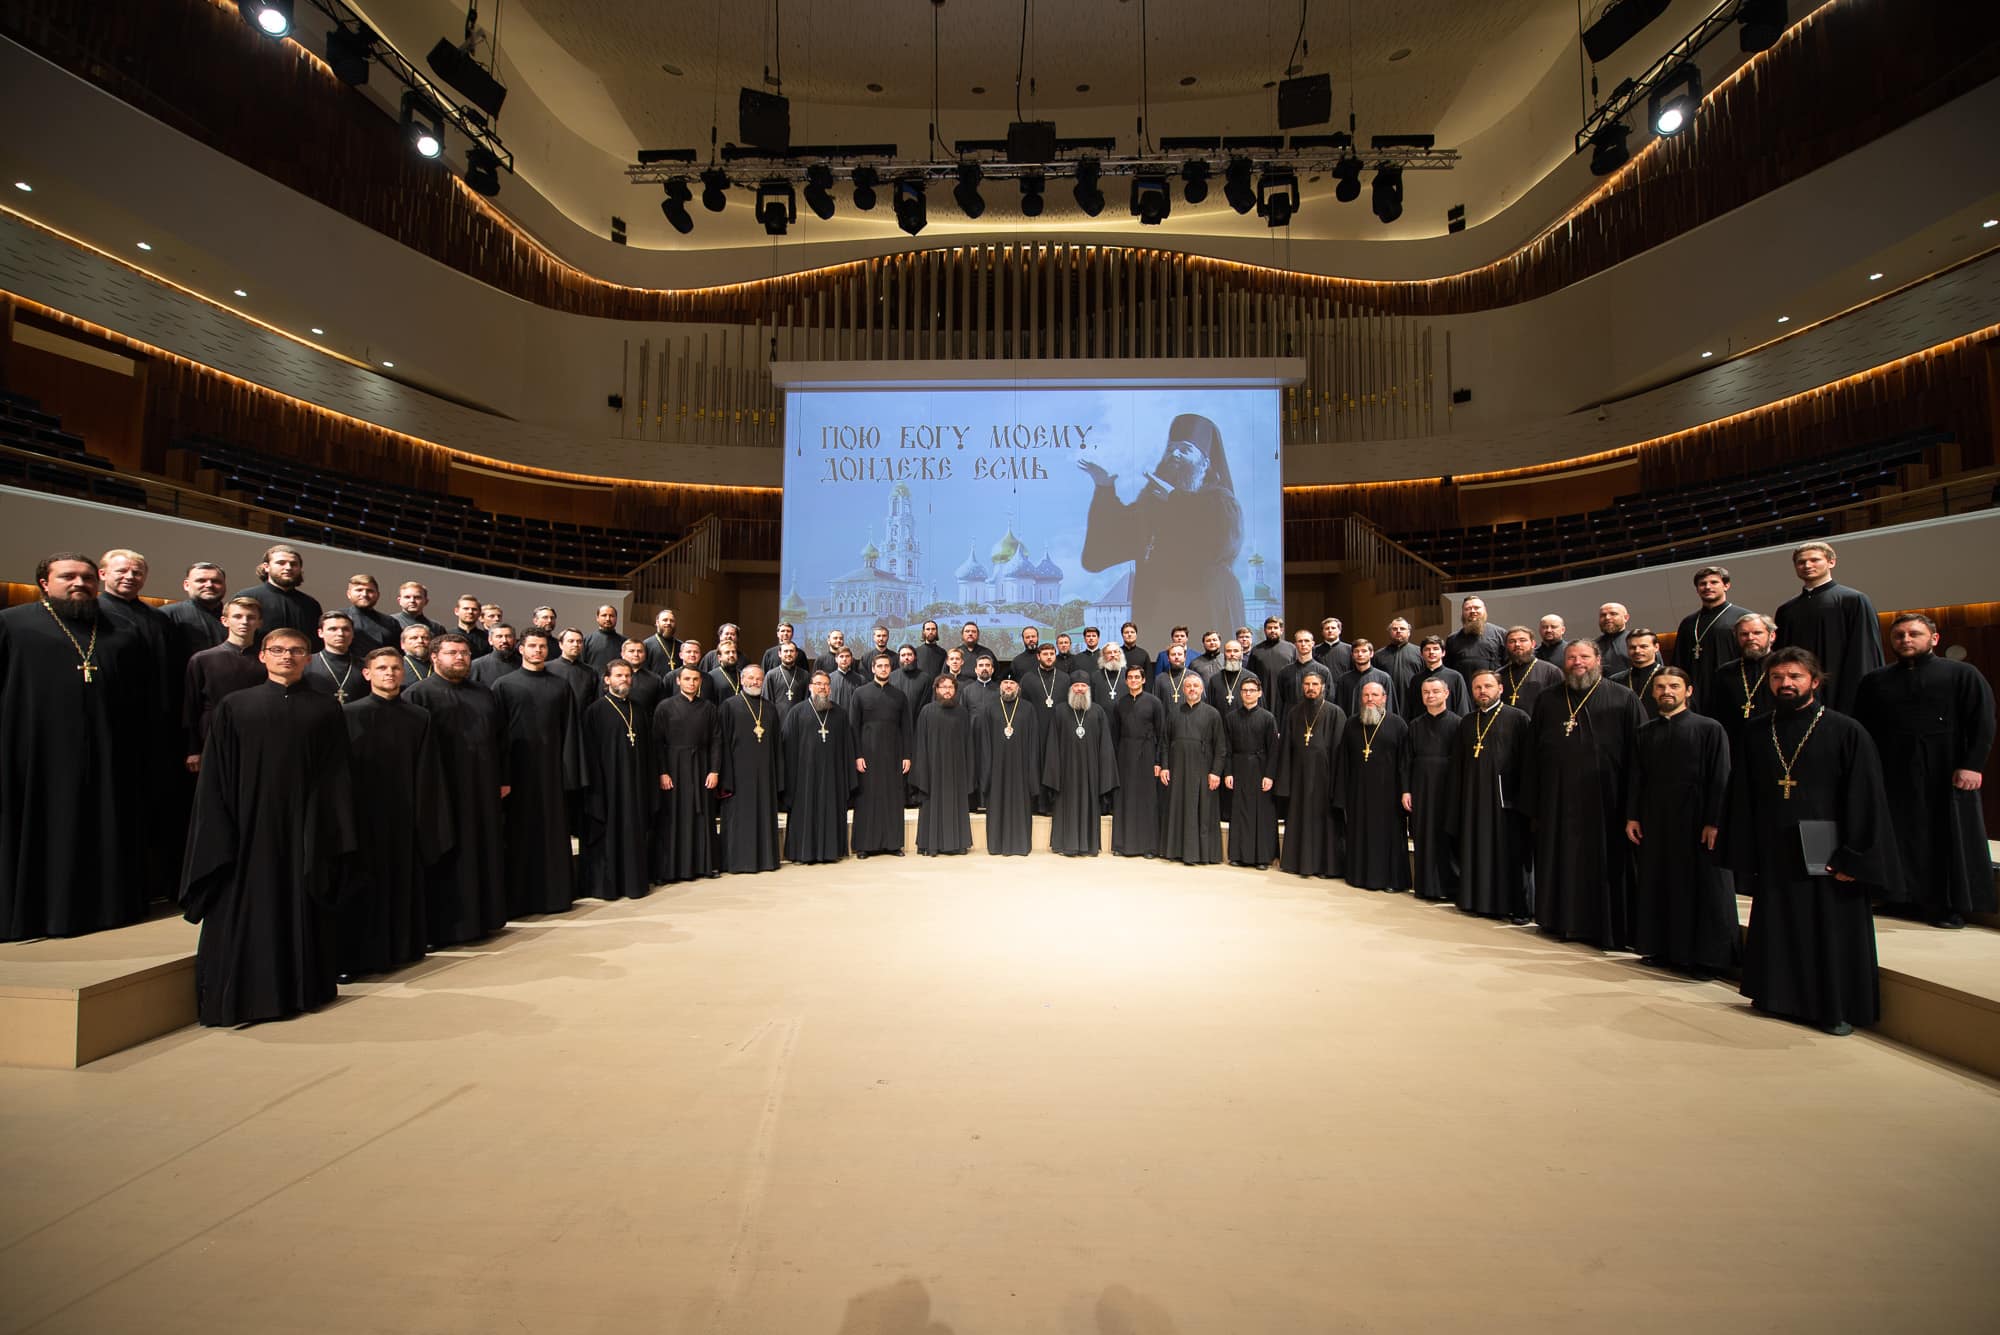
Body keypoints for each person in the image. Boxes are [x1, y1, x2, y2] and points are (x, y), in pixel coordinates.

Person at [178, 627, 355, 1026]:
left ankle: (303, 991)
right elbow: (217, 775)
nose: (287, 657)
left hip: (304, 827)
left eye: (296, 651)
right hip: (247, 827)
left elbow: (337, 773)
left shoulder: (325, 708)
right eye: (278, 650)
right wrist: (222, 825)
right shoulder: (235, 706)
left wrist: (328, 825)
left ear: (308, 657)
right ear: (262, 656)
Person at [1730, 648, 1898, 1035]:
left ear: (1815, 682)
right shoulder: (1757, 730)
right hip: (1775, 846)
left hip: (1830, 850)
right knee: (1778, 924)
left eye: (1795, 676)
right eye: (1777, 677)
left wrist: (1854, 856)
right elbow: (1742, 793)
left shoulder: (1846, 731)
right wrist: (1745, 848)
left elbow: (1866, 798)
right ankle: (1776, 997)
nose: (1785, 684)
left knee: (1830, 929)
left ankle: (1834, 1008)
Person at [0, 554, 151, 940]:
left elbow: (138, 696)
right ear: (44, 583)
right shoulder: (12, 624)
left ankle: (104, 908)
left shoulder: (121, 631)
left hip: (106, 754)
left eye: (86, 577)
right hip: (32, 755)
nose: (79, 583)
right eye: (68, 576)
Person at [1853, 613, 1996, 929]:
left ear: (1934, 638)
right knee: (1899, 835)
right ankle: (1899, 897)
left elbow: (1982, 722)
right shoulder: (1875, 680)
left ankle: (1946, 907)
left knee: (1945, 836)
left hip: (1946, 770)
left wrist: (1972, 765)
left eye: (1913, 634)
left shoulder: (1962, 674)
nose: (1905, 640)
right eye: (1899, 635)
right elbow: (1862, 729)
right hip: (1894, 772)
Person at [1522, 640, 1645, 949]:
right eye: (1571, 657)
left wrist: (1634, 807)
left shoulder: (1623, 698)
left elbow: (1639, 757)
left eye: (1584, 657)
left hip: (1605, 801)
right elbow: (1532, 753)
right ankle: (1558, 920)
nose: (1577, 662)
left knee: (1602, 864)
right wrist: (1533, 803)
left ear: (1598, 660)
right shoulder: (1548, 699)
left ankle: (1604, 928)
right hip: (1557, 799)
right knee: (1559, 858)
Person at [1079, 413, 1245, 637]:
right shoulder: (1150, 506)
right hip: (1156, 621)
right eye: (1170, 449)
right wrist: (1105, 489)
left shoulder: (1220, 502)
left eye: (1185, 449)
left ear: (1205, 463)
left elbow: (1220, 544)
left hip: (1207, 614)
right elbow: (1097, 557)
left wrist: (1175, 499)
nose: (1174, 454)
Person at [338, 648, 451, 975]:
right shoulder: (348, 714)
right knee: (361, 885)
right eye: (382, 668)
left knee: (403, 883)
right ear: (367, 674)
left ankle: (404, 948)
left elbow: (428, 770)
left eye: (395, 668)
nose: (389, 673)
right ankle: (359, 959)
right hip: (362, 815)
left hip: (404, 814)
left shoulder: (418, 716)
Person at [1624, 667, 1736, 976]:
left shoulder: (1709, 728)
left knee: (1701, 887)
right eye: (1660, 687)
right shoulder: (1645, 732)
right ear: (1653, 692)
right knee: (1661, 883)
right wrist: (1633, 815)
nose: (1666, 692)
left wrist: (1714, 821)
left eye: (1674, 686)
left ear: (1688, 691)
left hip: (1697, 820)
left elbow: (1720, 778)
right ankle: (1663, 949)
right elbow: (1637, 777)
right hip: (1657, 818)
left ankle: (1707, 959)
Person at [406, 632, 510, 946]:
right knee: (449, 853)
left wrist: (502, 778)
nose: (460, 658)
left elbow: (500, 738)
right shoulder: (418, 694)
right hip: (442, 790)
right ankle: (448, 927)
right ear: (434, 657)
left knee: (483, 849)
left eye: (464, 653)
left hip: (482, 786)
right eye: (452, 653)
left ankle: (485, 918)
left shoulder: (483, 692)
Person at [491, 630, 583, 916]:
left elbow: (571, 732)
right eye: (532, 646)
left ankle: (555, 897)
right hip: (517, 773)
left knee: (553, 833)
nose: (538, 651)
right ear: (521, 649)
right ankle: (519, 900)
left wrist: (569, 774)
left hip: (551, 771)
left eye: (542, 646)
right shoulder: (504, 685)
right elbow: (497, 735)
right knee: (518, 834)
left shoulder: (560, 686)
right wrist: (502, 776)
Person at [1452, 671, 1533, 923]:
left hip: (1504, 800)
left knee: (1509, 853)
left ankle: (1517, 907)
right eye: (1477, 688)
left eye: (1487, 686)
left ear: (1500, 688)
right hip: (1474, 798)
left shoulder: (1518, 718)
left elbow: (1528, 762)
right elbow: (1459, 763)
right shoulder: (1467, 721)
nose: (1482, 691)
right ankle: (1478, 901)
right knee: (1477, 849)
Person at [1774, 541, 1884, 714]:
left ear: (1831, 562)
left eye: (1814, 560)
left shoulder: (1853, 600)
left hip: (1843, 690)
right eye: (1801, 562)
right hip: (1798, 695)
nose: (1807, 565)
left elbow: (1864, 652)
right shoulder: (1786, 610)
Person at [1336, 682, 1411, 892]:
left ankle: (1390, 880)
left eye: (1375, 695)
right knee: (1359, 833)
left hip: (1388, 793)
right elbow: (1343, 761)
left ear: (1384, 698)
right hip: (1358, 792)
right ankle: (1358, 876)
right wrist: (1342, 793)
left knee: (1387, 837)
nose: (1370, 699)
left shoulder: (1398, 724)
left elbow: (1404, 762)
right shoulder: (1352, 724)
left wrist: (1405, 789)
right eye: (1366, 695)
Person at [1273, 669, 1344, 880]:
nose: (1310, 688)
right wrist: (1284, 782)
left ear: (1323, 687)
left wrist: (1337, 784)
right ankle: (1296, 862)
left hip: (1325, 777)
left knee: (1325, 823)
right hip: (1299, 777)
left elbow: (1339, 751)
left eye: (1314, 684)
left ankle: (1325, 866)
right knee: (1299, 817)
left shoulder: (1335, 713)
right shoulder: (1294, 713)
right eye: (1306, 684)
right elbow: (1286, 749)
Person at [779, 671, 857, 865]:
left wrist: (847, 777)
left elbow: (847, 748)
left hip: (833, 775)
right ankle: (802, 853)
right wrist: (790, 779)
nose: (822, 688)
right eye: (818, 684)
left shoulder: (840, 714)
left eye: (826, 684)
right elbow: (788, 748)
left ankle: (831, 852)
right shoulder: (796, 712)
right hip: (804, 776)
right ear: (810, 687)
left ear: (830, 688)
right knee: (804, 812)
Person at [653, 666, 720, 882]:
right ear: (678, 681)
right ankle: (675, 869)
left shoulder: (709, 707)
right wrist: (662, 772)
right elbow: (657, 743)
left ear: (700, 682)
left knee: (702, 815)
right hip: (674, 767)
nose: (692, 683)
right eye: (687, 679)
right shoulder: (665, 707)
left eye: (696, 679)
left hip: (702, 765)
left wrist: (714, 770)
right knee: (676, 816)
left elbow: (716, 741)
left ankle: (704, 865)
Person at [714, 664, 783, 873]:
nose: (755, 682)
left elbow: (777, 745)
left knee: (763, 816)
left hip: (765, 773)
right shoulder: (729, 706)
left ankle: (765, 860)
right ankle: (738, 862)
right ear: (742, 680)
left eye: (759, 679)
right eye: (751, 678)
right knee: (739, 818)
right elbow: (722, 742)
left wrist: (778, 776)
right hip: (738, 774)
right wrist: (725, 776)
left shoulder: (769, 708)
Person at [184, 597, 268, 767]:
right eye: (237, 616)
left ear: (259, 623)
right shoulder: (202, 659)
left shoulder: (268, 660)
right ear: (225, 621)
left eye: (251, 617)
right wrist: (193, 749)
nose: (244, 622)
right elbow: (191, 707)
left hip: (258, 735)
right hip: (213, 735)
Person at [1043, 678, 1118, 856]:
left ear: (1088, 689)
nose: (1079, 689)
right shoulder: (1060, 711)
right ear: (1070, 689)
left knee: (1088, 805)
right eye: (1076, 685)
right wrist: (1054, 772)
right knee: (1066, 805)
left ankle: (1088, 845)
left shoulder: (1098, 711)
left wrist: (1104, 773)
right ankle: (1066, 845)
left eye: (1083, 686)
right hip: (1065, 772)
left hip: (1091, 773)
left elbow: (1105, 746)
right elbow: (1052, 743)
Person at [1159, 673, 1229, 865]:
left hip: (1203, 770)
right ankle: (1176, 851)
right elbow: (1164, 743)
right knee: (1178, 808)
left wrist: (1216, 772)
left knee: (1202, 811)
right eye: (1188, 686)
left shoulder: (1213, 714)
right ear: (1183, 689)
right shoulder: (1173, 712)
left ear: (1202, 689)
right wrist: (1164, 767)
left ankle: (1202, 854)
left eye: (1195, 686)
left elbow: (1220, 747)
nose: (1192, 689)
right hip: (1177, 770)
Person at [849, 651, 911, 857]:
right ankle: (864, 845)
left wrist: (907, 755)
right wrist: (857, 755)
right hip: (867, 756)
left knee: (893, 798)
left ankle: (893, 844)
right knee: (867, 800)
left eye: (887, 666)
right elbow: (853, 727)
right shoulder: (860, 693)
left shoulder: (900, 696)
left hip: (893, 755)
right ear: (873, 669)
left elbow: (906, 728)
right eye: (880, 666)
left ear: (891, 669)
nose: (884, 669)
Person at [908, 674, 976, 855]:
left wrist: (968, 770)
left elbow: (968, 744)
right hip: (932, 770)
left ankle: (958, 844)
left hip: (956, 769)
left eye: (951, 687)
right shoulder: (926, 711)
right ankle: (930, 844)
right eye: (943, 687)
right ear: (936, 690)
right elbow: (920, 743)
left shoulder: (962, 713)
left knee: (956, 804)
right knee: (932, 805)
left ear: (955, 690)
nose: (947, 691)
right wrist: (922, 770)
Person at [975, 676, 1043, 855]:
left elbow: (1034, 742)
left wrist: (1032, 772)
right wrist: (986, 772)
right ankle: (996, 845)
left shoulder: (1028, 708)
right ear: (1000, 686)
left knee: (1021, 806)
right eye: (1005, 683)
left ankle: (1020, 845)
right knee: (997, 805)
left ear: (1018, 687)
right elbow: (984, 742)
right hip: (997, 768)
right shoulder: (990, 708)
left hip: (1021, 768)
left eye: (1012, 683)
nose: (1008, 686)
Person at [1406, 677, 1461, 902]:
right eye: (1426, 692)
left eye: (1435, 691)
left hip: (1447, 787)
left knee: (1445, 835)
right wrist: (1406, 790)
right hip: (1420, 787)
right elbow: (1407, 761)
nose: (1430, 696)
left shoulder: (1458, 724)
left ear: (1446, 694)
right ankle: (1424, 886)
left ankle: (1449, 888)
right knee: (1422, 834)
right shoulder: (1415, 725)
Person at [1110, 663, 1167, 856]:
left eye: (1137, 677)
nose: (1133, 680)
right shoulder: (1120, 703)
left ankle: (1148, 847)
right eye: (1130, 677)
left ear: (1143, 680)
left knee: (1146, 800)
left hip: (1147, 755)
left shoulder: (1154, 703)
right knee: (1124, 799)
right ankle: (1121, 845)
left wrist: (1158, 762)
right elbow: (1116, 734)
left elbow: (1162, 735)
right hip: (1125, 755)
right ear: (1126, 681)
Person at [1672, 565, 1749, 708]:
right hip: (1695, 696)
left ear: (1726, 585)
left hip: (1731, 691)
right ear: (1697, 589)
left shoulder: (1744, 618)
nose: (1707, 587)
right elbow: (1678, 663)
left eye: (1714, 582)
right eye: (1702, 584)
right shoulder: (1688, 623)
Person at [1223, 676, 1279, 869]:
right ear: (1240, 693)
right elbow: (1227, 748)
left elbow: (1274, 749)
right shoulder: (1231, 717)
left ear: (1259, 693)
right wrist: (1228, 772)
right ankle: (1238, 855)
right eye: (1245, 690)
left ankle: (1262, 858)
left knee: (1260, 814)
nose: (1248, 693)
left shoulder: (1268, 718)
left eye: (1252, 690)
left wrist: (1269, 775)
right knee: (1239, 812)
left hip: (1260, 768)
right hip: (1238, 767)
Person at [231, 545, 322, 648]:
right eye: (281, 563)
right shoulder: (248, 597)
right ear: (266, 567)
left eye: (293, 564)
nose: (288, 567)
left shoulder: (311, 604)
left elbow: (316, 643)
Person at [1712, 613, 1777, 755]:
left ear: (1772, 636)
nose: (1750, 638)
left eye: (1757, 633)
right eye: (1744, 634)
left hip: (1775, 742)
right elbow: (1717, 712)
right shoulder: (1725, 672)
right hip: (1736, 746)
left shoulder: (1783, 668)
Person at [161, 561, 229, 664]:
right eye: (201, 580)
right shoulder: (166, 615)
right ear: (186, 585)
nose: (209, 585)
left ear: (224, 585)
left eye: (216, 581)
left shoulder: (237, 617)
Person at [1498, 625, 1561, 715]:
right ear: (1506, 646)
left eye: (1522, 640)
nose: (1517, 644)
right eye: (1512, 641)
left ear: (1533, 644)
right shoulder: (1499, 674)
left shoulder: (1551, 672)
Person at [1404, 636, 1469, 719]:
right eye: (1427, 649)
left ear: (1443, 653)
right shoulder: (1416, 679)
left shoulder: (1455, 677)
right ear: (1421, 654)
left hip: (1450, 725)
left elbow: (1462, 707)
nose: (1431, 652)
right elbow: (1411, 709)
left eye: (1435, 649)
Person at [1443, 596, 1508, 680]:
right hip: (1463, 687)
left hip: (1492, 685)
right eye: (1468, 609)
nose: (1473, 611)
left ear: (1484, 610)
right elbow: (1448, 670)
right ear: (1463, 613)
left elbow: (1507, 666)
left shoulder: (1500, 634)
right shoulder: (1452, 639)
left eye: (1476, 608)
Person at [303, 611, 359, 703]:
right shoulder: (305, 662)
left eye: (346, 629)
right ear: (320, 633)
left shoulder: (365, 664)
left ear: (353, 634)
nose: (340, 633)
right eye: (333, 629)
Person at [1612, 629, 1667, 719]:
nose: (1637, 651)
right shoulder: (1615, 681)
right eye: (1632, 647)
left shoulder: (1670, 677)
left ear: (1656, 647)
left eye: (1643, 646)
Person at [1280, 629, 1337, 717]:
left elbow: (1330, 697)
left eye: (1306, 641)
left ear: (1313, 643)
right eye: (1300, 641)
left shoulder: (1323, 671)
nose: (1303, 644)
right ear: (1295, 645)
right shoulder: (1285, 672)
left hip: (1317, 717)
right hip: (1292, 718)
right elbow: (1281, 698)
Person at [343, 574, 402, 656]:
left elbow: (397, 654)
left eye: (370, 591)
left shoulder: (390, 622)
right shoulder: (337, 619)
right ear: (349, 594)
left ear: (378, 595)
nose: (364, 594)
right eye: (359, 590)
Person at [1330, 638, 1391, 716]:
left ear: (1371, 654)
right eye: (1356, 651)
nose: (1360, 654)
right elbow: (1340, 708)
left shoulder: (1384, 678)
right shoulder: (1344, 680)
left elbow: (1389, 706)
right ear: (1352, 655)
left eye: (1364, 651)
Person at [550, 627, 601, 710]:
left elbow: (595, 701)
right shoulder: (548, 668)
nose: (576, 644)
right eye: (571, 641)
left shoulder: (590, 672)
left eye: (579, 641)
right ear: (561, 644)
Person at [617, 638, 666, 721]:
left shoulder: (655, 679)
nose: (636, 654)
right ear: (623, 654)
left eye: (640, 651)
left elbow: (660, 708)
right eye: (631, 651)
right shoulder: (613, 676)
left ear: (645, 655)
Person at [1375, 619, 1422, 699]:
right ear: (1390, 632)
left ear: (1409, 632)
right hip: (1387, 700)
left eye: (1402, 628)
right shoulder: (1378, 656)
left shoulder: (1420, 653)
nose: (1398, 631)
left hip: (1413, 700)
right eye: (1395, 629)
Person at [1209, 640, 1258, 710]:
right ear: (1224, 654)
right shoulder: (1214, 680)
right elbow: (1210, 708)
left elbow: (1258, 709)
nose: (1232, 654)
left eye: (1236, 651)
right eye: (1228, 651)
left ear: (1241, 654)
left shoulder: (1252, 678)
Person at [1247, 616, 1293, 690]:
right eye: (1269, 628)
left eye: (1275, 628)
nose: (1272, 630)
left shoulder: (1291, 648)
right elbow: (1251, 676)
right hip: (1263, 693)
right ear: (1265, 631)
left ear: (1281, 630)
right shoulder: (1256, 650)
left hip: (1286, 693)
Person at [470, 623, 521, 688]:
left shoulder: (523, 664)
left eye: (508, 636)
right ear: (490, 640)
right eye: (499, 636)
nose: (504, 640)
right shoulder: (477, 666)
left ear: (515, 640)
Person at [768, 640, 811, 708]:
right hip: (777, 714)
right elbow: (767, 700)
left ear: (796, 654)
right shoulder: (771, 675)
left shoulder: (805, 675)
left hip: (799, 713)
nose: (789, 654)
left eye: (791, 651)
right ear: (779, 654)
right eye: (785, 651)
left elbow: (808, 700)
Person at [892, 645, 931, 719]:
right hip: (896, 721)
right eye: (903, 655)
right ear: (899, 658)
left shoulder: (925, 678)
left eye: (909, 654)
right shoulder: (891, 677)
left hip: (919, 721)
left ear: (915, 657)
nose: (906, 658)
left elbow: (927, 704)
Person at [581, 604, 625, 670]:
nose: (608, 619)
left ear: (616, 618)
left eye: (611, 616)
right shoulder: (587, 641)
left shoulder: (625, 642)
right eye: (604, 615)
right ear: (597, 618)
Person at [1595, 603, 1633, 677]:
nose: (1607, 617)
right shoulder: (1592, 646)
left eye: (1613, 614)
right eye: (1603, 615)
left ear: (1626, 618)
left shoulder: (1638, 642)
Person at [449, 594, 491, 659]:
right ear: (456, 611)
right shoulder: (447, 636)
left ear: (479, 613)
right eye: (466, 608)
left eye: (474, 609)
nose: (470, 612)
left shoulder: (488, 638)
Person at [1153, 642, 1194, 708]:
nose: (1176, 657)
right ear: (1168, 658)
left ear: (1185, 657)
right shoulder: (1160, 679)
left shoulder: (1194, 677)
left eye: (1179, 654)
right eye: (1173, 654)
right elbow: (1155, 704)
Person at [649, 609, 683, 676]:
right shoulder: (647, 644)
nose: (668, 623)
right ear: (657, 623)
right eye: (665, 620)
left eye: (672, 621)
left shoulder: (681, 646)